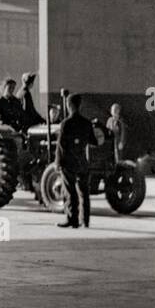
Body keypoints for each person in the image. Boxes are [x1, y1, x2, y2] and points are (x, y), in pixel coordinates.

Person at [56, 93, 97, 229]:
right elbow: (94, 141)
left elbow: (61, 146)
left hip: (69, 162)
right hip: (82, 162)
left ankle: (72, 220)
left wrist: (58, 163)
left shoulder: (65, 124)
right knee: (84, 193)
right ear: (80, 105)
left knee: (71, 192)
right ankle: (85, 221)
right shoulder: (87, 123)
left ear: (69, 106)